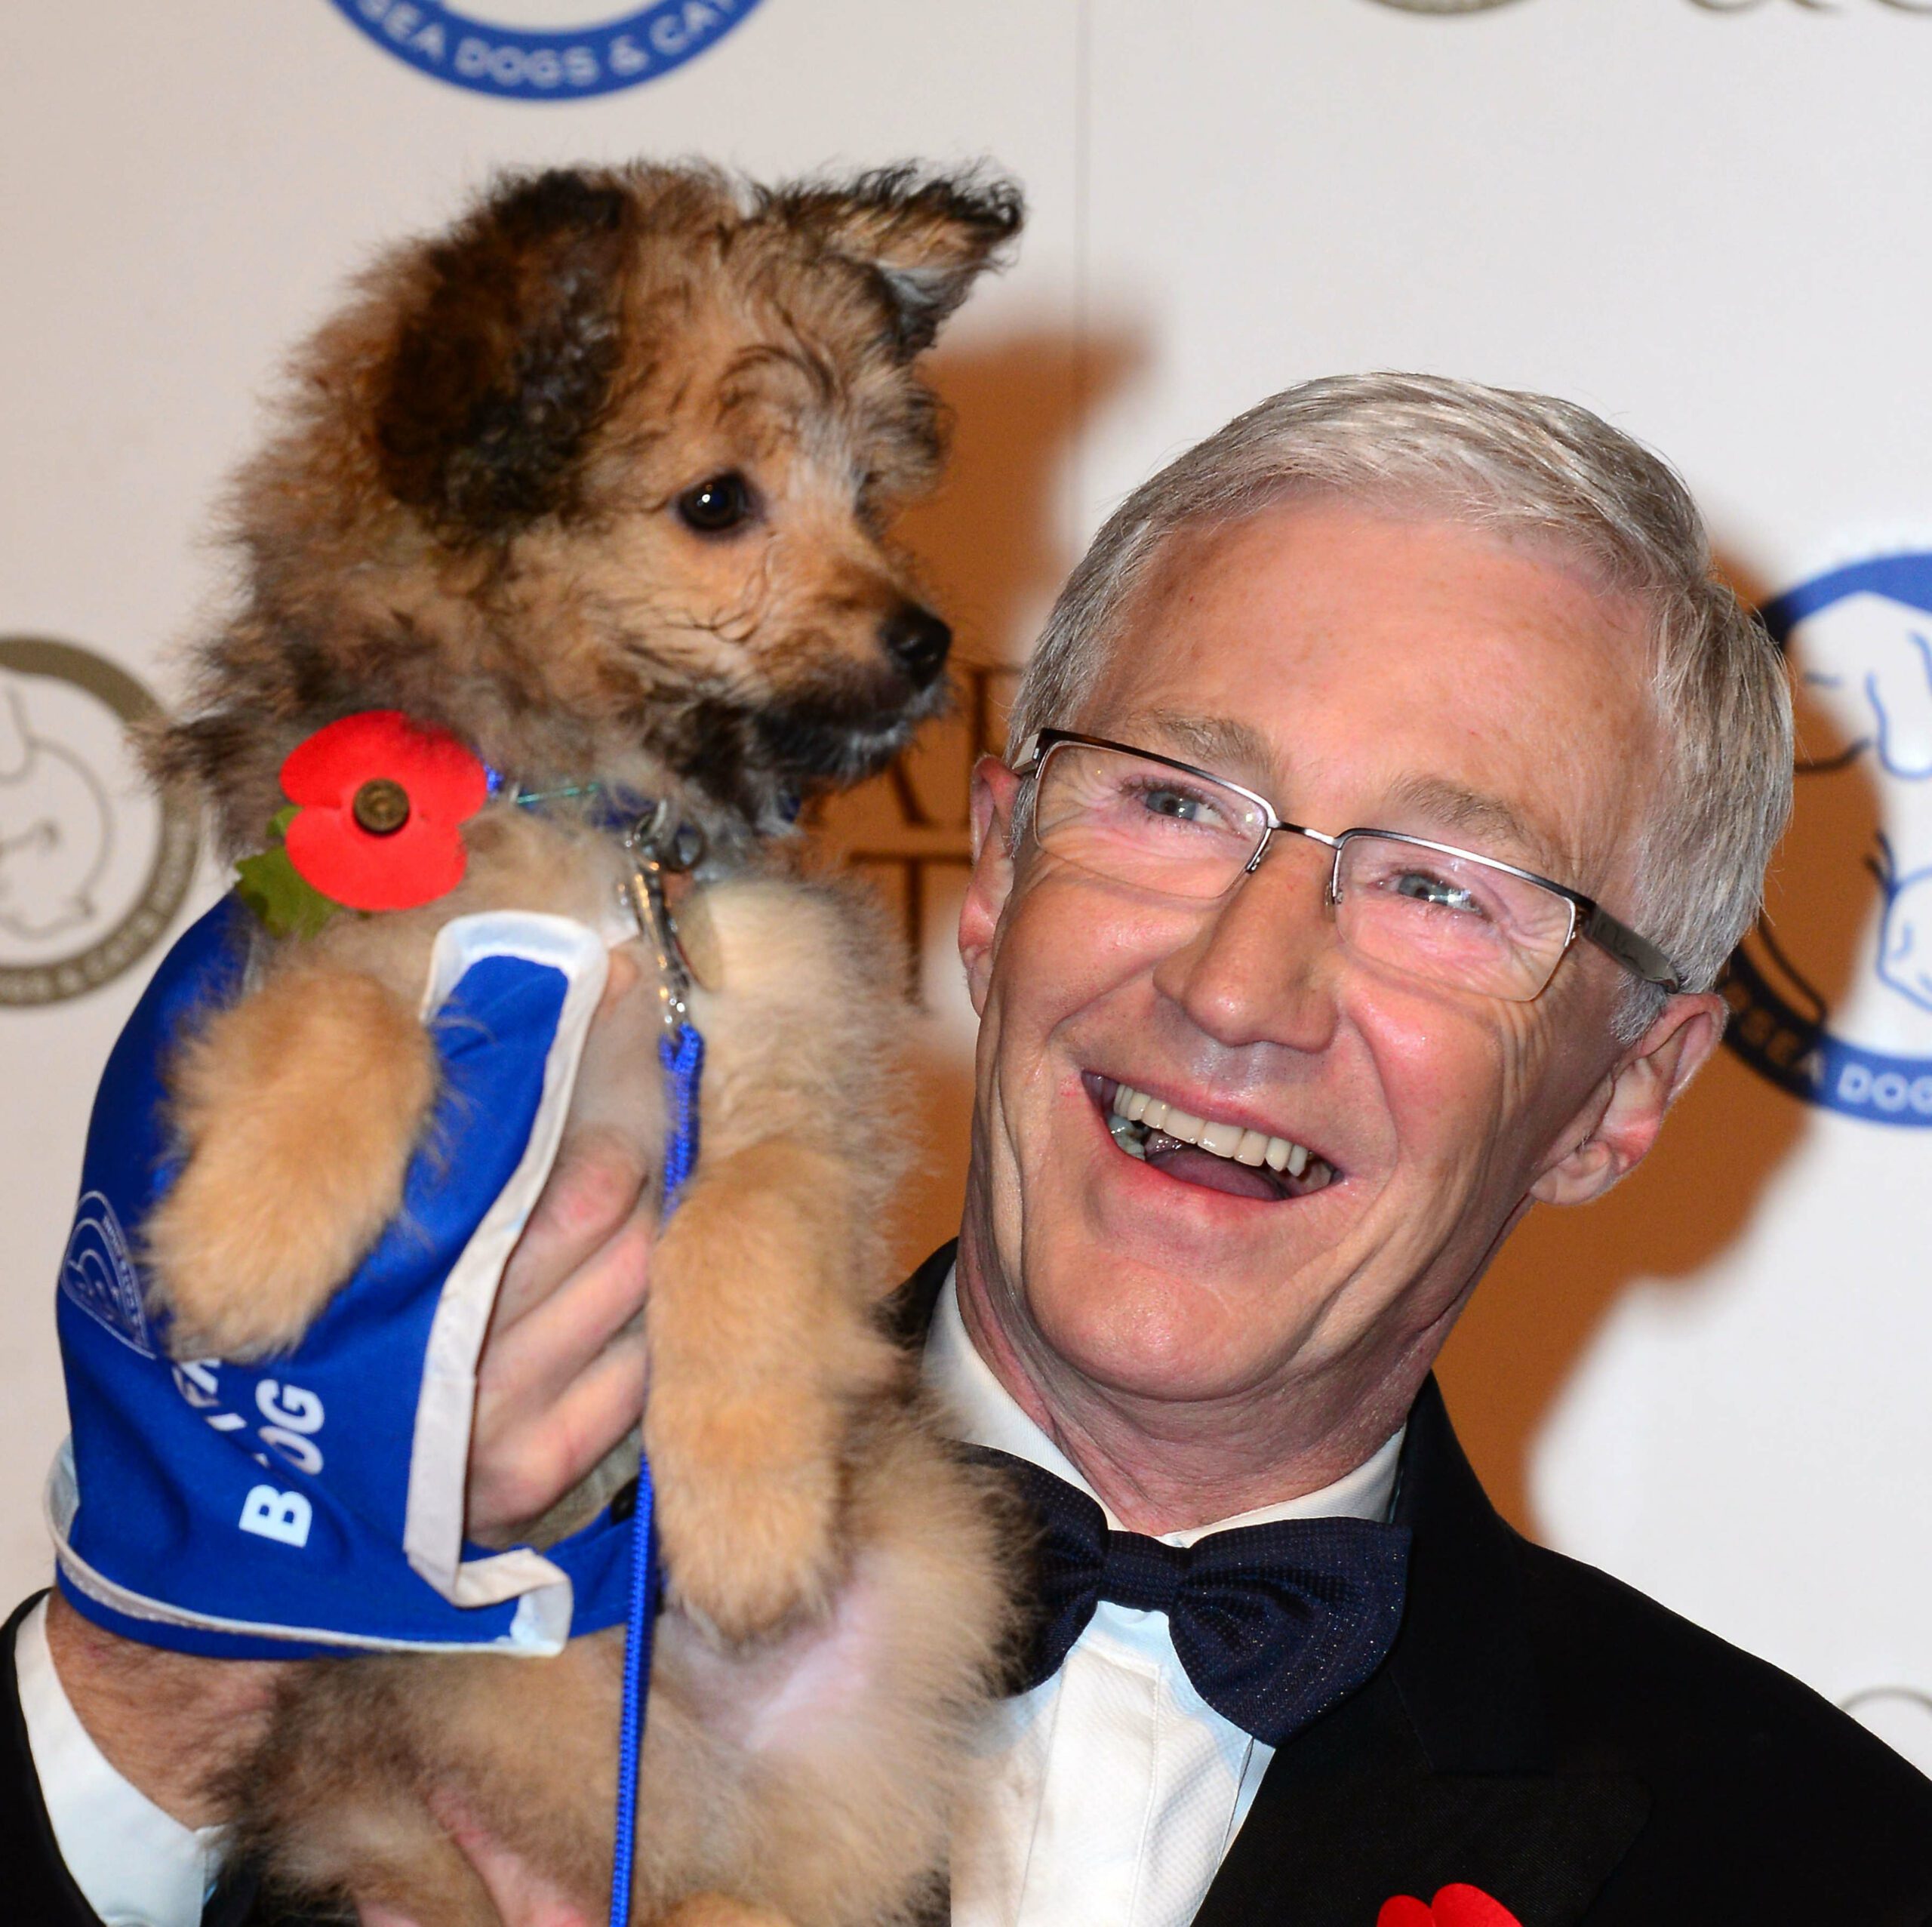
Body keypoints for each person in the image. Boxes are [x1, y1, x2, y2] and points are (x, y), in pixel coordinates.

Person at [9, 374, 1932, 1924]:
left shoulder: (1817, 1863)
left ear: (1624, 1089)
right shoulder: (463, 1569)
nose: (1242, 986)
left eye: (1440, 888)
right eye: (1176, 802)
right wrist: (179, 1686)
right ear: (993, 872)